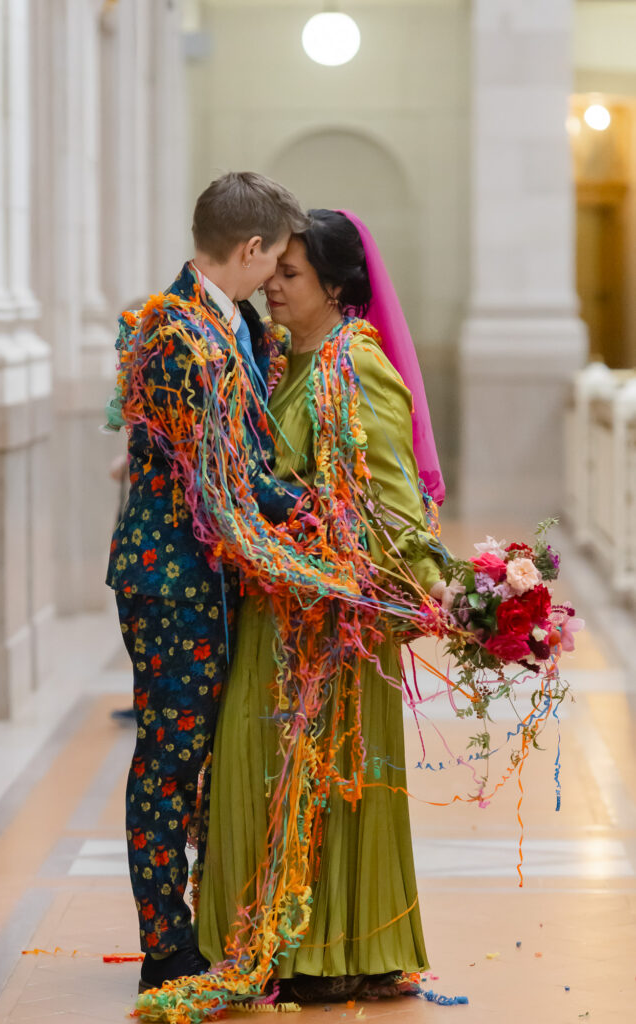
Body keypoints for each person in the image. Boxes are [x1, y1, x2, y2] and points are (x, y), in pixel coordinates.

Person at [195, 210, 447, 1003]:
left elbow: (389, 498)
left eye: (291, 273)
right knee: (252, 764)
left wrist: (428, 581)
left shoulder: (356, 363)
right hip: (274, 612)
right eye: (272, 267)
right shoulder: (276, 360)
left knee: (335, 778)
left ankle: (341, 953)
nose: (271, 282)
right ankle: (272, 942)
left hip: (335, 624)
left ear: (336, 287)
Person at [105, 172, 310, 993]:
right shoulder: (172, 334)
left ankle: (213, 916)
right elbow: (224, 474)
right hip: (170, 578)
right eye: (276, 261)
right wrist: (325, 512)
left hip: (213, 575)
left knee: (209, 754)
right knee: (169, 758)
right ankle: (164, 947)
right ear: (251, 248)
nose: (277, 279)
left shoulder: (232, 324)